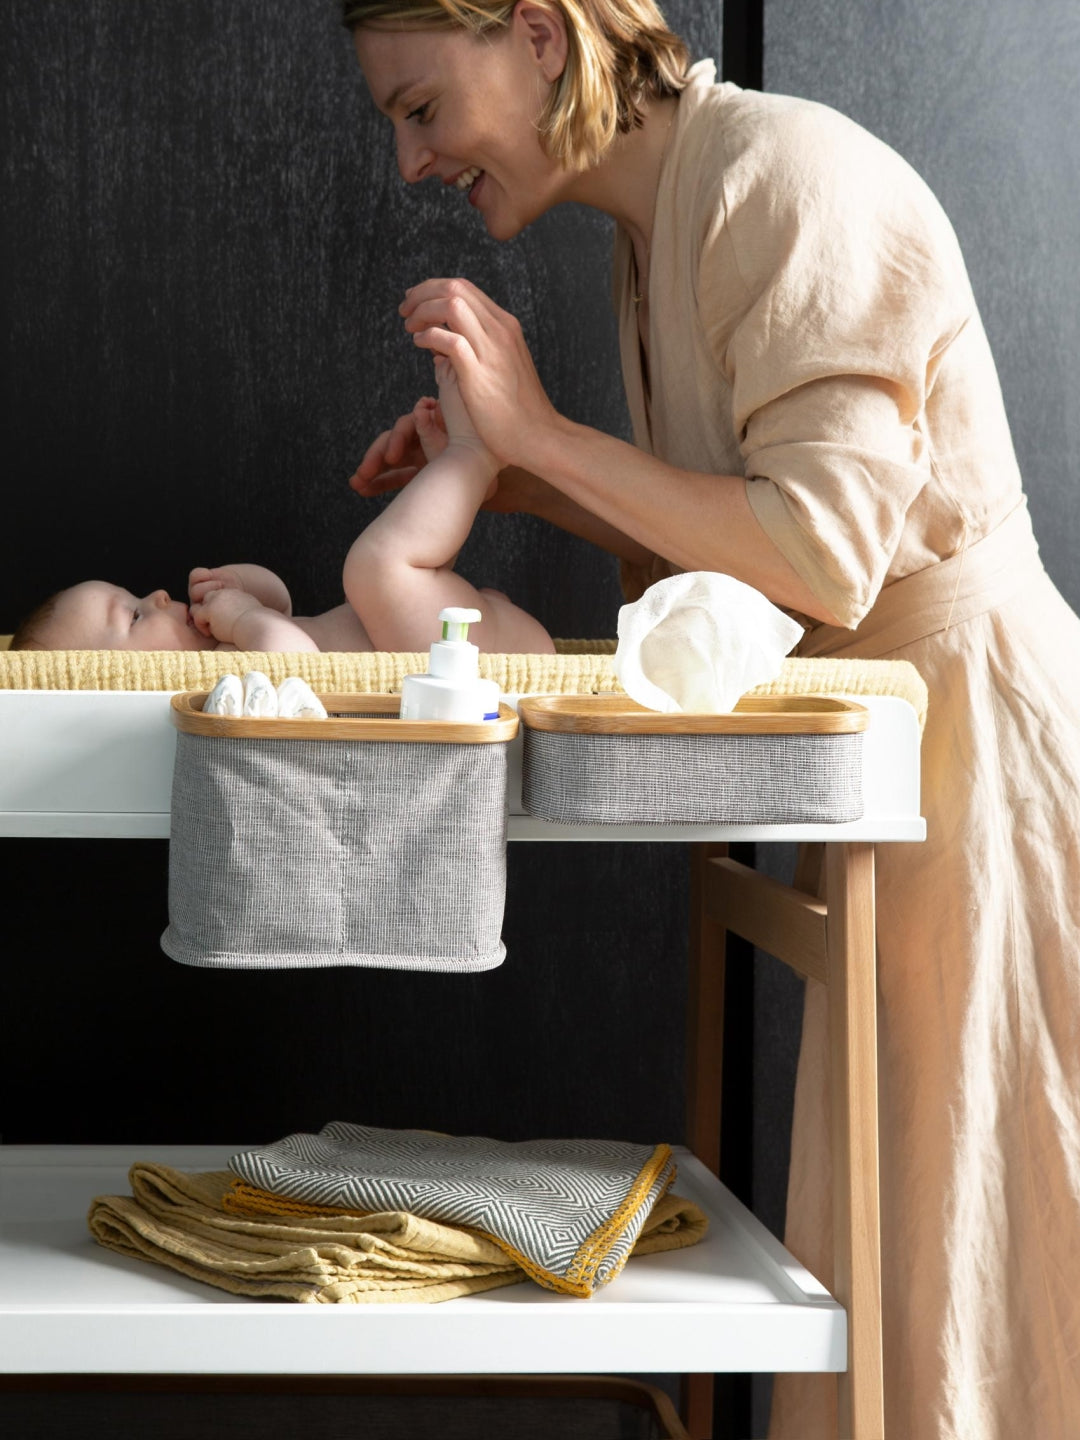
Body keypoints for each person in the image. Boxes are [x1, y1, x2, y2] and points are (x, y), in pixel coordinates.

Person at [344, 3, 1080, 1436]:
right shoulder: (663, 230)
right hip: (908, 764)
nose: (411, 160)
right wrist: (514, 477)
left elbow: (820, 559)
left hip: (991, 770)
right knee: (924, 1272)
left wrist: (546, 437)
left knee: (983, 1284)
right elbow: (740, 552)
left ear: (545, 37)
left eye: (422, 109)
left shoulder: (782, 181)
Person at [10, 354, 554, 656]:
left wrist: (245, 590)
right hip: (456, 664)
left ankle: (453, 478)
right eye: (130, 614)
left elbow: (283, 605)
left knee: (382, 586)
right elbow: (295, 659)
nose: (155, 595)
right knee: (372, 572)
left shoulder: (231, 636)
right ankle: (474, 457)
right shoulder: (220, 688)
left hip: (441, 637)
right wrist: (245, 617)